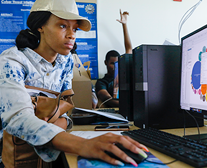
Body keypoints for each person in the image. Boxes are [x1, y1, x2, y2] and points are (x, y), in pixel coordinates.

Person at [0, 0, 148, 167]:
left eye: (75, 29)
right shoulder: (12, 61)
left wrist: (59, 122)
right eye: (63, 26)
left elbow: (66, 110)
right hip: (17, 156)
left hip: (54, 148)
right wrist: (83, 144)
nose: (72, 35)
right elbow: (17, 119)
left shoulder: (65, 61)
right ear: (40, 26)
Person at [95, 10, 132, 107]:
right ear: (105, 63)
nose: (116, 67)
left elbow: (129, 49)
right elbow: (107, 100)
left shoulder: (123, 77)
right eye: (112, 63)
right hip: (115, 111)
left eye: (117, 63)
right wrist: (128, 105)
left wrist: (124, 25)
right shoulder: (101, 82)